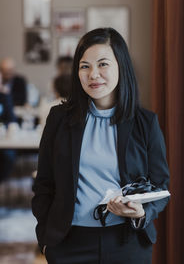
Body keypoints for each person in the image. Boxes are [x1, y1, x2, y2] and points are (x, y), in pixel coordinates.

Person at [32, 28, 170, 264]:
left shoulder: (145, 122)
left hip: (127, 243)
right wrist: (45, 238)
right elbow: (44, 183)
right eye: (85, 66)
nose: (93, 74)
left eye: (103, 64)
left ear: (121, 66)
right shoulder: (59, 119)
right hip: (68, 243)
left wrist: (142, 212)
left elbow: (160, 186)